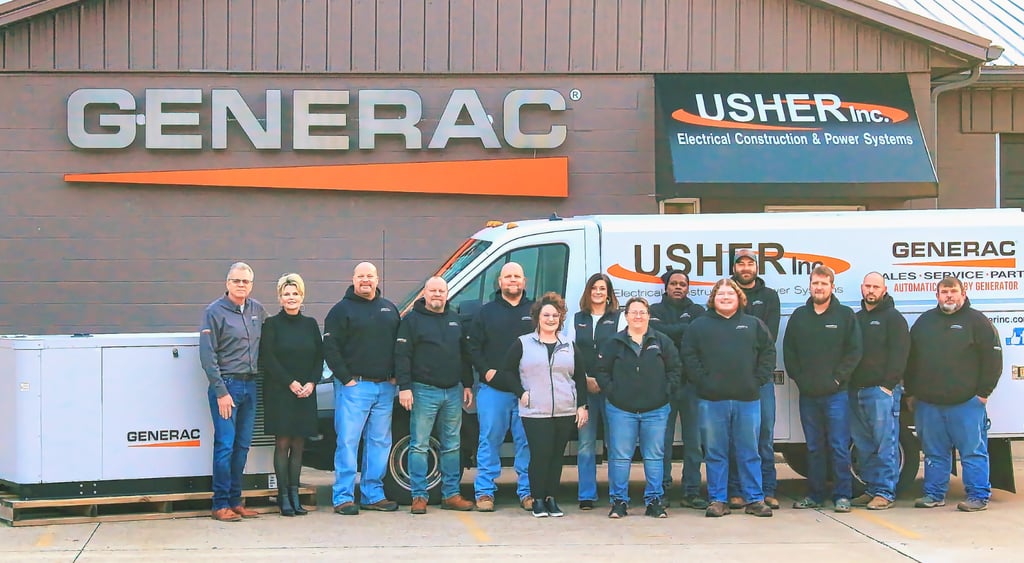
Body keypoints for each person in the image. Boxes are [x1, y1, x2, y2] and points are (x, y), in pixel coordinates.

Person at [906, 276, 1002, 512]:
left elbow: (993, 359)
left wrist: (983, 393)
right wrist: (911, 392)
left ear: (963, 293)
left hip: (966, 404)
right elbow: (910, 359)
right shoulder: (925, 322)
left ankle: (978, 496)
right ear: (937, 295)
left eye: (953, 291)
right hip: (929, 404)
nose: (949, 296)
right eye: (944, 292)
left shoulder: (977, 321)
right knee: (934, 453)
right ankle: (934, 494)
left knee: (973, 452)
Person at [681, 279, 776, 518]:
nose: (725, 297)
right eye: (720, 293)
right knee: (715, 452)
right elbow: (689, 355)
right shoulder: (698, 326)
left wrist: (757, 380)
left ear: (739, 298)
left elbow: (768, 353)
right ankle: (718, 500)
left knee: (749, 451)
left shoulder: (753, 324)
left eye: (730, 293)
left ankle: (754, 499)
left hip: (747, 399)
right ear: (713, 299)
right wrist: (703, 382)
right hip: (711, 400)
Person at [499, 292, 589, 518]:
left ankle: (551, 498)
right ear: (537, 317)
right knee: (540, 455)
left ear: (561, 318)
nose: (551, 319)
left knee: (557, 456)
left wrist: (582, 405)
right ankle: (537, 499)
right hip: (535, 411)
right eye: (546, 315)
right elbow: (507, 371)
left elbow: (579, 376)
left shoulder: (568, 344)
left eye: (555, 316)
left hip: (564, 410)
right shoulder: (523, 343)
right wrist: (521, 393)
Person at [783, 265, 862, 513]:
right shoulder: (799, 316)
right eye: (815, 283)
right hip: (808, 395)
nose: (819, 288)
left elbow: (854, 352)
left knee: (838, 446)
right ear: (810, 286)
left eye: (823, 284)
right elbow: (789, 352)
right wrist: (800, 380)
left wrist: (838, 380)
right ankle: (815, 495)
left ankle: (842, 495)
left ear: (832, 287)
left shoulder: (845, 315)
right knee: (814, 447)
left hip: (837, 395)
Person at [324, 262, 401, 515]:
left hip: (385, 388)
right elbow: (331, 348)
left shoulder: (389, 309)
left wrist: (395, 376)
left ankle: (373, 494)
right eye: (361, 276)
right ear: (353, 279)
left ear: (377, 279)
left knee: (379, 442)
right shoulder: (340, 311)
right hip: (354, 388)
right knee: (348, 442)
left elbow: (399, 346)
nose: (365, 280)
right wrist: (347, 379)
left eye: (370, 276)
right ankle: (343, 497)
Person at [596, 297, 682, 519]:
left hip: (656, 409)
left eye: (642, 312)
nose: (638, 316)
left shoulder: (661, 341)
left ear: (649, 316)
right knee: (620, 457)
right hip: (621, 410)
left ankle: (654, 501)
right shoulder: (614, 342)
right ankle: (619, 502)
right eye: (633, 312)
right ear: (626, 316)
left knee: (654, 457)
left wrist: (665, 391)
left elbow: (675, 369)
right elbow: (602, 371)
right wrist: (613, 391)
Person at [395, 277, 476, 514]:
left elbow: (464, 355)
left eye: (441, 290)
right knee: (419, 445)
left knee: (452, 445)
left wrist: (467, 384)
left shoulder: (455, 320)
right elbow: (402, 355)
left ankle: (451, 495)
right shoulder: (411, 321)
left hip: (452, 392)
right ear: (425, 293)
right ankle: (419, 496)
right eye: (433, 291)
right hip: (423, 391)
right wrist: (404, 387)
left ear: (447, 294)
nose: (437, 294)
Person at [200, 262, 268, 522]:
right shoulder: (214, 312)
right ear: (227, 283)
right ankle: (220, 504)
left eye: (245, 281)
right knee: (225, 446)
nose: (241, 285)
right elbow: (207, 355)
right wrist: (221, 392)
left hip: (250, 385)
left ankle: (236, 501)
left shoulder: (257, 310)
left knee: (242, 446)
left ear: (251, 285)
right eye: (236, 281)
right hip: (227, 387)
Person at [469, 262, 535, 512]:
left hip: (526, 391)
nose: (513, 280)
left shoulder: (535, 311)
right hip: (494, 390)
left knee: (526, 443)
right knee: (489, 440)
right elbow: (473, 347)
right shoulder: (485, 313)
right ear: (500, 282)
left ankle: (527, 492)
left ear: (524, 281)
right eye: (508, 276)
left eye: (517, 276)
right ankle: (485, 492)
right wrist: (485, 370)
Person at [260, 273, 323, 517]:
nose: (291, 298)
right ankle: (283, 497)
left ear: (302, 296)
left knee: (299, 445)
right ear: (280, 298)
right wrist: (290, 382)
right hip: (280, 392)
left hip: (305, 393)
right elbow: (268, 358)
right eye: (286, 294)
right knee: (283, 443)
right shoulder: (272, 324)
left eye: (295, 293)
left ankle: (296, 495)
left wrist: (312, 382)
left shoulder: (310, 324)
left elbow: (319, 356)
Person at [849, 272, 909, 511]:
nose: (871, 290)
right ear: (862, 288)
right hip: (856, 392)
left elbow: (900, 354)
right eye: (868, 286)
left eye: (876, 287)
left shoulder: (894, 318)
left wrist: (888, 386)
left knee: (885, 444)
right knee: (864, 446)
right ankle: (871, 489)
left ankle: (885, 492)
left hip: (881, 392)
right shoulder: (857, 319)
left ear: (884, 290)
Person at [729, 248, 782, 510]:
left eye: (750, 263)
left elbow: (769, 339)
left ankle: (767, 489)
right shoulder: (727, 294)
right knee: (735, 437)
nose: (745, 268)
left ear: (756, 267)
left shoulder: (769, 297)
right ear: (734, 268)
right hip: (732, 379)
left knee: (764, 435)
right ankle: (736, 490)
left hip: (761, 380)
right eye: (741, 264)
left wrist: (758, 373)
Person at [649, 269, 706, 510]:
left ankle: (691, 491)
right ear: (666, 287)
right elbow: (656, 335)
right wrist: (683, 328)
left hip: (692, 385)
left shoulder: (698, 311)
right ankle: (662, 490)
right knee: (663, 442)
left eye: (683, 284)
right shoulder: (654, 310)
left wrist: (670, 330)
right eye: (674, 283)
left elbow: (697, 335)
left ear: (688, 287)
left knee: (694, 442)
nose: (678, 287)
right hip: (664, 385)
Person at [571, 273, 624, 510]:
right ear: (588, 291)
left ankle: (617, 495)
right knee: (585, 444)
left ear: (609, 293)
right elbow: (570, 353)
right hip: (584, 390)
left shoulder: (618, 319)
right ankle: (586, 494)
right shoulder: (577, 319)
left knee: (615, 444)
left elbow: (621, 353)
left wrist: (603, 380)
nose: (598, 292)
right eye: (594, 288)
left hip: (611, 389)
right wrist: (584, 379)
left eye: (603, 288)